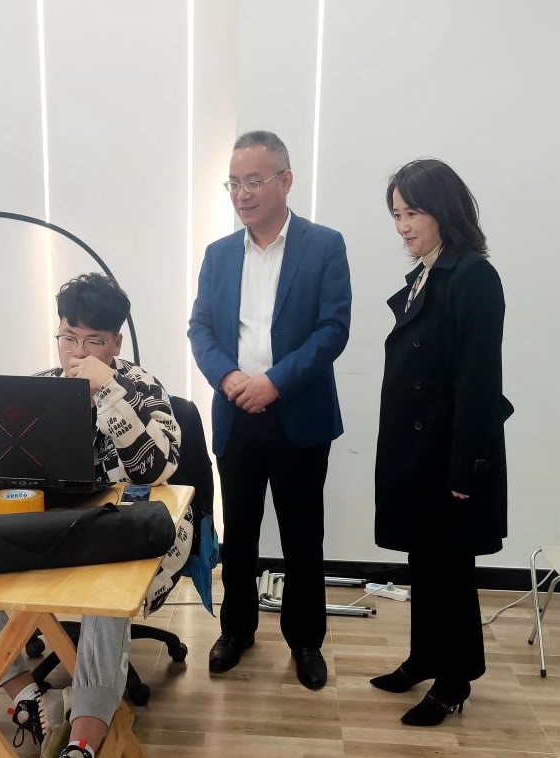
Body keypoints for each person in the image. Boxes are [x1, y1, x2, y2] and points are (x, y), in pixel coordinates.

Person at [0, 273, 182, 758]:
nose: (77, 353)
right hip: (49, 528)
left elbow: (156, 469)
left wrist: (107, 391)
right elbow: (7, 462)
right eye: (68, 338)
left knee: (109, 576)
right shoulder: (41, 387)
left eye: (94, 341)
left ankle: (84, 736)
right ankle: (28, 696)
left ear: (116, 342)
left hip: (125, 529)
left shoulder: (141, 387)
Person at [188, 130, 351, 689]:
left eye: (254, 181)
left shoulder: (324, 245)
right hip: (237, 412)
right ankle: (236, 630)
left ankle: (306, 641)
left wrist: (275, 383)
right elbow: (201, 329)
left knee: (303, 537)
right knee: (240, 533)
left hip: (298, 415)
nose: (242, 193)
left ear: (286, 181)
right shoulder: (218, 255)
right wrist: (229, 377)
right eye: (234, 183)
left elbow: (333, 329)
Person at [369, 159, 512, 726]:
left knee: (452, 570)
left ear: (444, 212)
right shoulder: (426, 274)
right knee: (424, 562)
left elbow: (479, 381)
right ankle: (424, 657)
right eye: (396, 214)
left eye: (413, 212)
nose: (402, 226)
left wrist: (467, 468)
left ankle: (455, 680)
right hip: (418, 451)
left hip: (450, 453)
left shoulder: (473, 277)